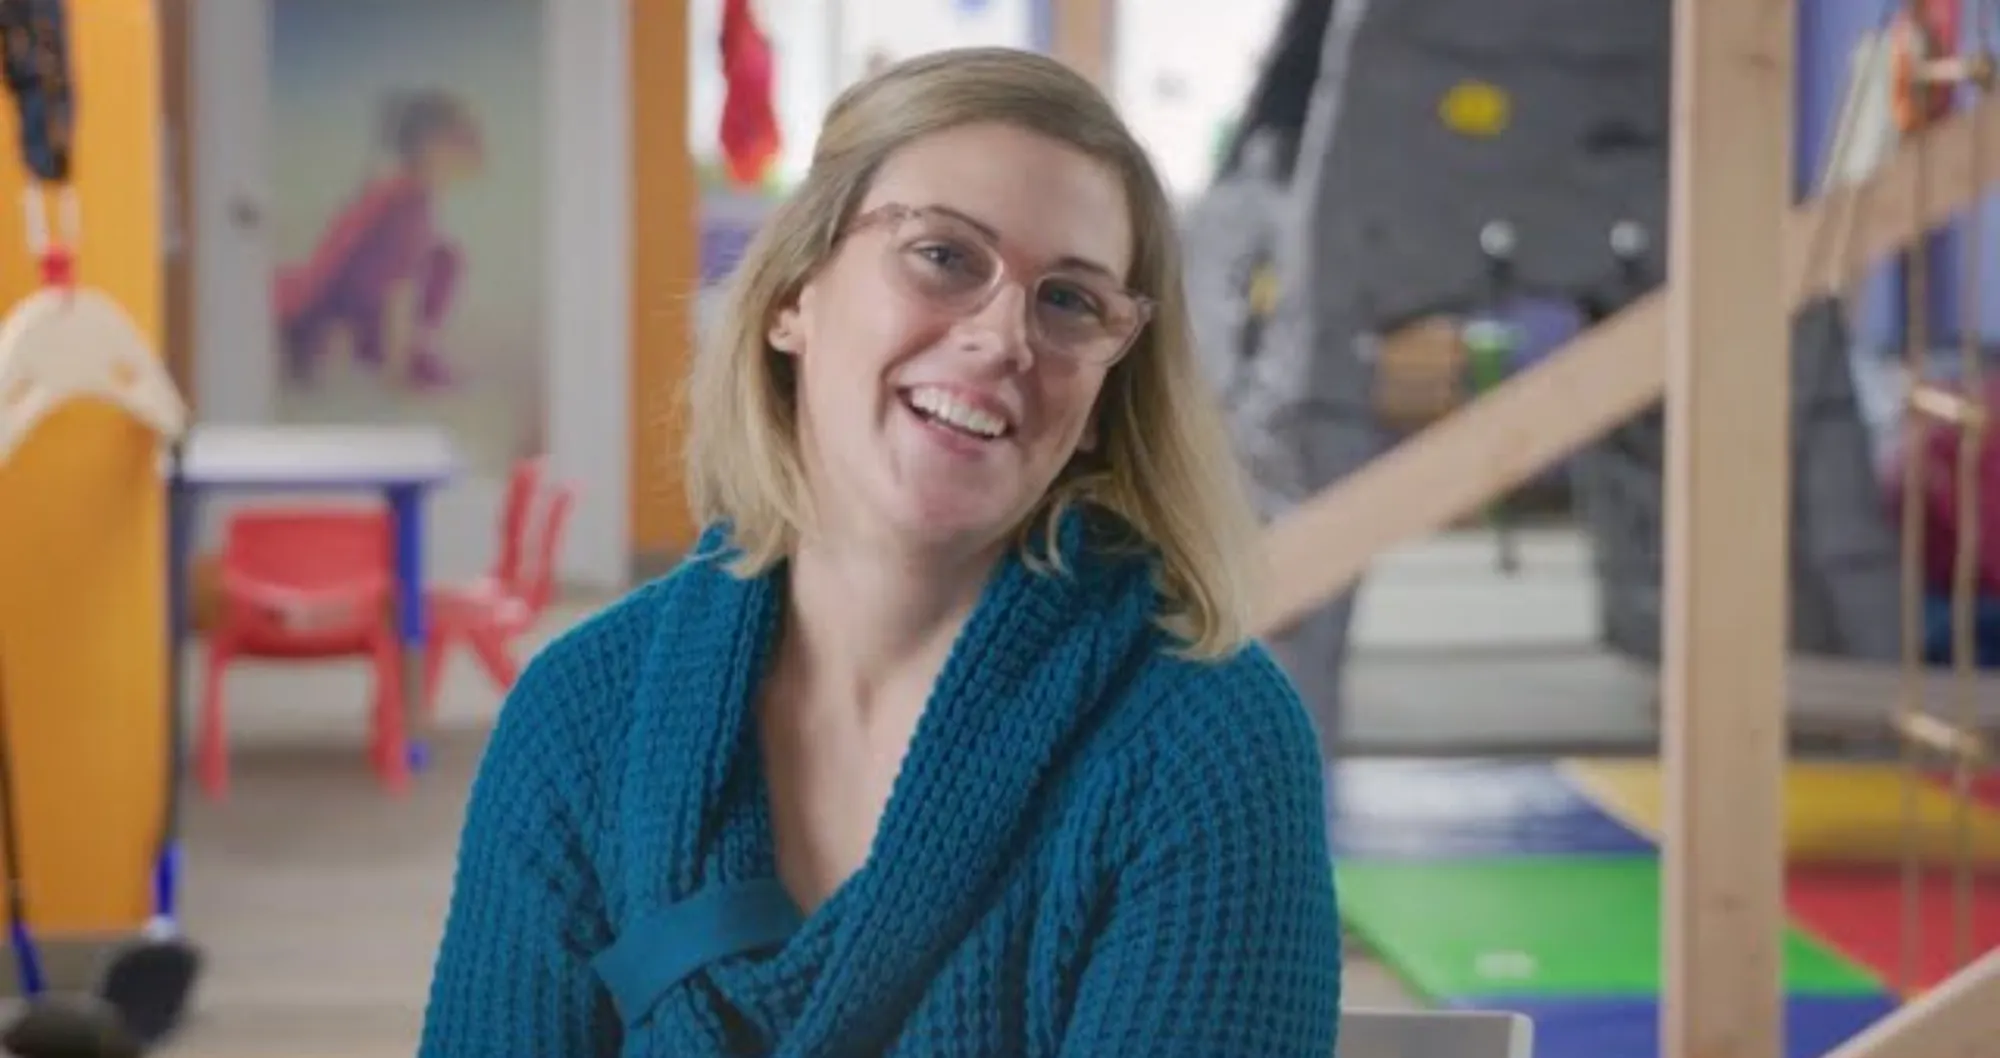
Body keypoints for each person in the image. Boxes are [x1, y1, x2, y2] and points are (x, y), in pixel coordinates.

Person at [419, 47, 1341, 1057]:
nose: (1001, 339)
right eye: (943, 255)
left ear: (1097, 402)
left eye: (1068, 301)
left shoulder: (1203, 742)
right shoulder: (579, 717)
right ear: (791, 296)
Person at [273, 88, 484, 391]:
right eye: (463, 137)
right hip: (317, 319)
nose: (477, 147)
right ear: (431, 146)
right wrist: (397, 376)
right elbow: (398, 288)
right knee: (444, 261)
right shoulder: (405, 202)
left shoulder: (399, 192)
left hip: (336, 316)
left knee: (444, 258)